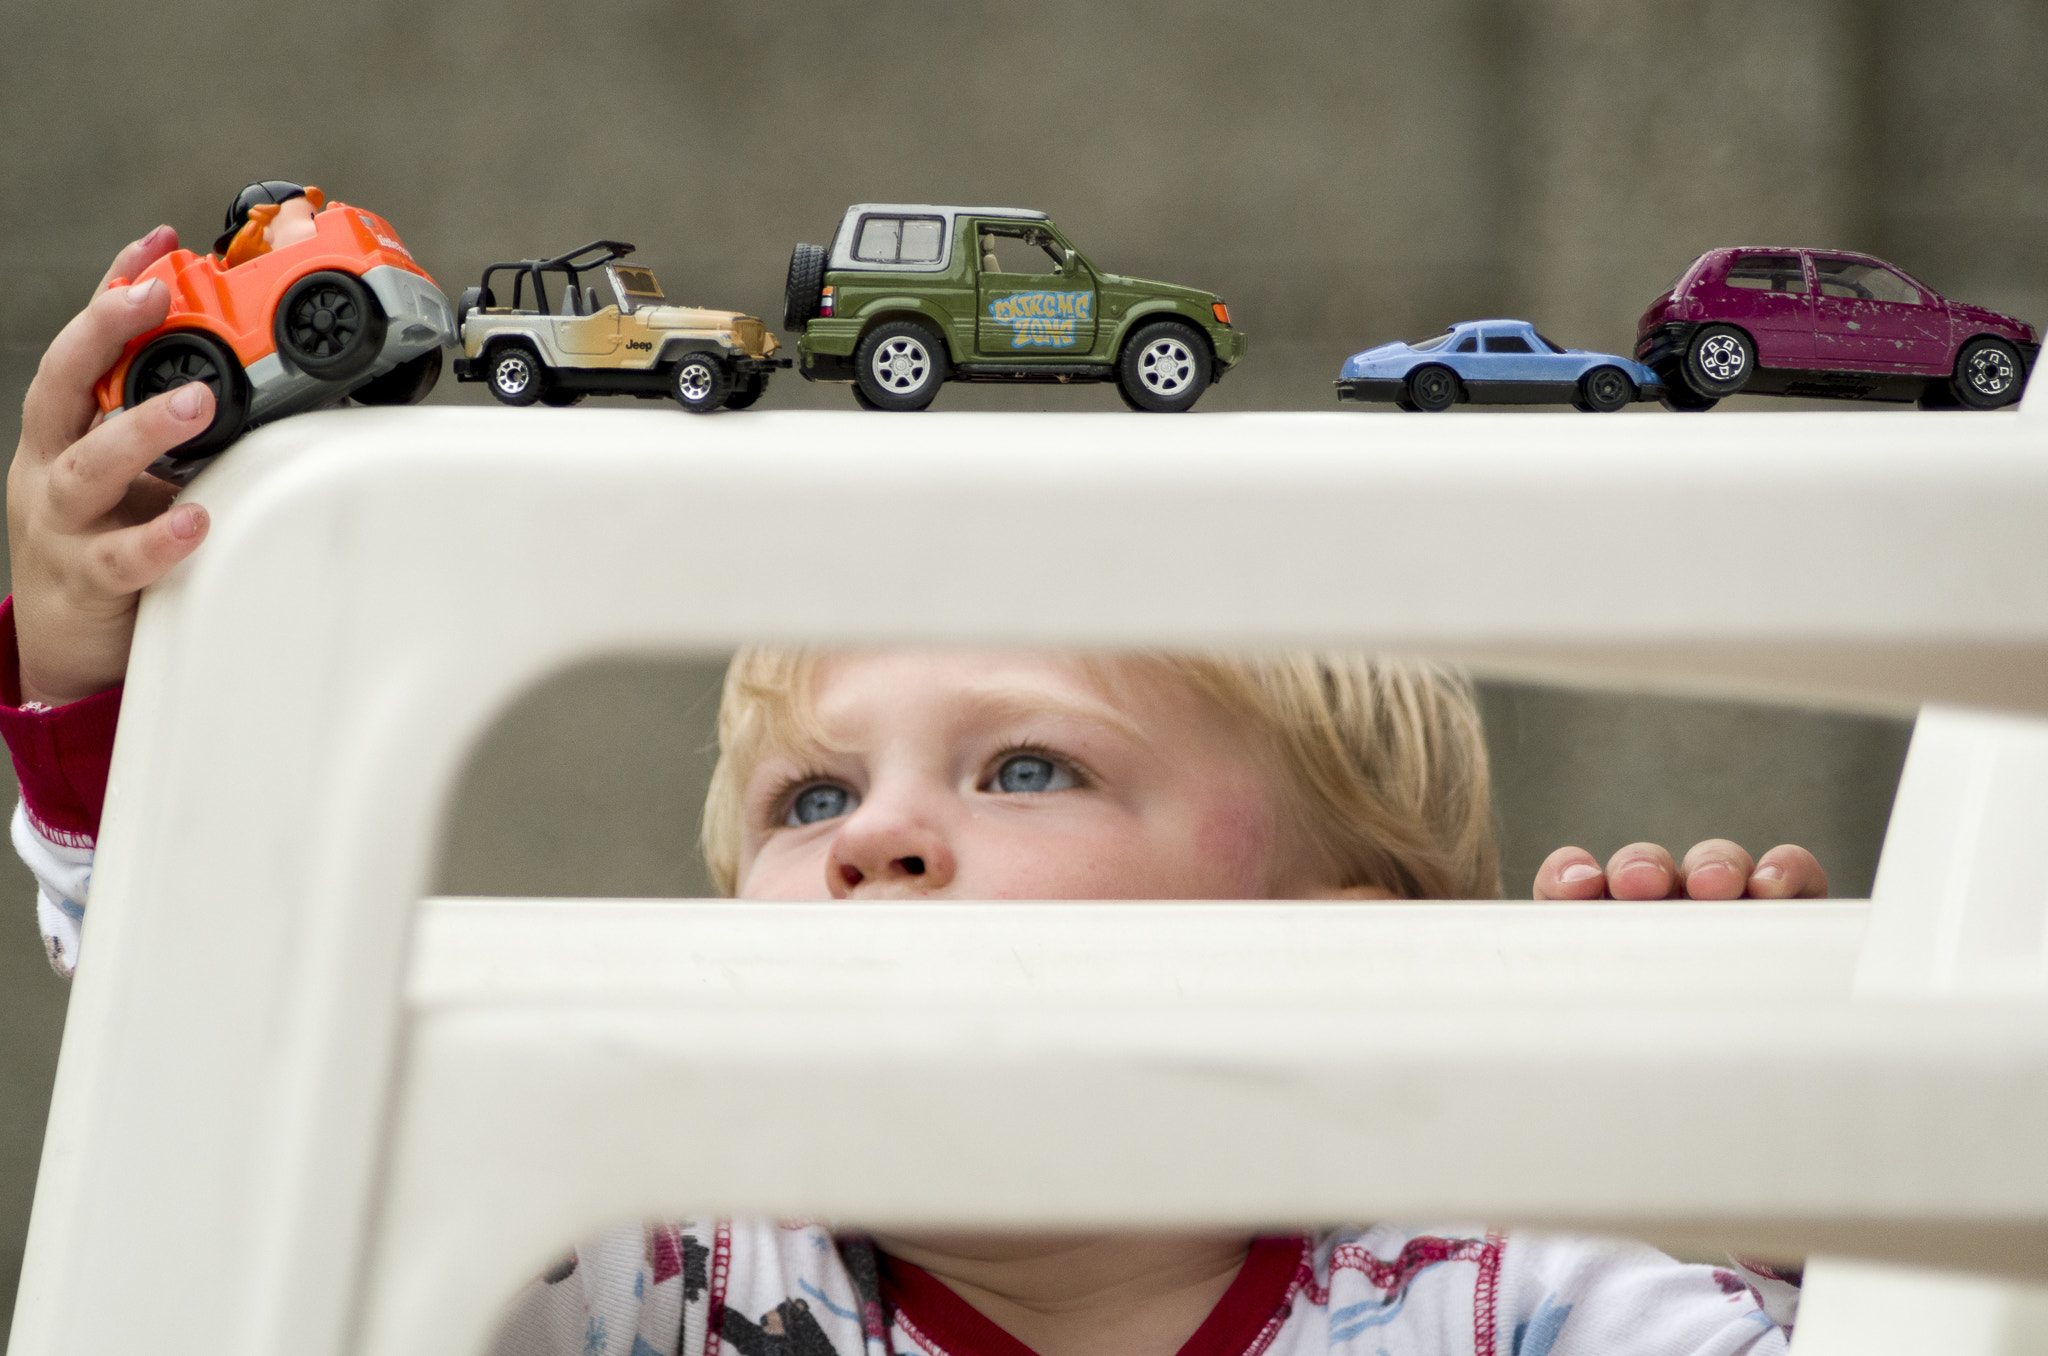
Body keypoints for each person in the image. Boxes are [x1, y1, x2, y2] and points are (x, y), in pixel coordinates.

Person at [5, 230, 1827, 1356]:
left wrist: (1801, 1185)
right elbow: (228, 1056)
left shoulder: (1506, 1293)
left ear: (1354, 940)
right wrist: (101, 677)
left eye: (1027, 766)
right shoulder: (651, 1268)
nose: (873, 839)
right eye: (807, 801)